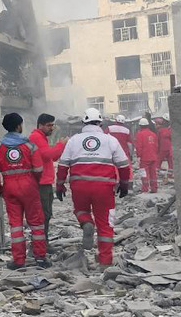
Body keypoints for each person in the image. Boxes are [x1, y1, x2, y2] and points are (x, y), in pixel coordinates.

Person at [55, 108, 131, 267]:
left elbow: (63, 165)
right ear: (100, 123)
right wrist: (124, 184)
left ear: (83, 123)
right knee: (105, 224)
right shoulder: (110, 140)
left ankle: (86, 222)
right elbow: (124, 165)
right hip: (104, 188)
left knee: (81, 210)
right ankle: (105, 262)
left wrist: (60, 185)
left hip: (79, 186)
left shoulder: (74, 140)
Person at [0, 113, 50, 270]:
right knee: (36, 223)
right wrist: (34, 182)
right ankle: (40, 258)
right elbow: (38, 168)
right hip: (29, 186)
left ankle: (18, 260)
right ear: (18, 126)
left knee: (15, 225)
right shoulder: (29, 145)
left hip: (9, 188)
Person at [27, 113, 66, 241]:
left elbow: (52, 157)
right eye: (49, 125)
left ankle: (42, 242)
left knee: (46, 214)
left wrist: (59, 148)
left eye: (52, 125)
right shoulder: (36, 137)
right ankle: (40, 244)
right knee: (42, 215)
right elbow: (48, 154)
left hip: (45, 182)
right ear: (40, 125)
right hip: (40, 183)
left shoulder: (42, 138)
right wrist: (61, 144)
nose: (51, 128)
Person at [135, 118, 160, 193]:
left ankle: (145, 189)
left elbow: (139, 146)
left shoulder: (140, 134)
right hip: (153, 157)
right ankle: (154, 188)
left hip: (144, 157)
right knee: (153, 173)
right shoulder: (153, 134)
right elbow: (157, 146)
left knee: (144, 173)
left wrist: (138, 156)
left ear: (140, 125)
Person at [156, 117, 174, 183]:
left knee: (159, 161)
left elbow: (158, 141)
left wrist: (157, 150)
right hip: (169, 148)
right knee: (170, 162)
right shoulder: (169, 130)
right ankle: (170, 174)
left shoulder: (160, 131)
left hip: (163, 148)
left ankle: (156, 173)